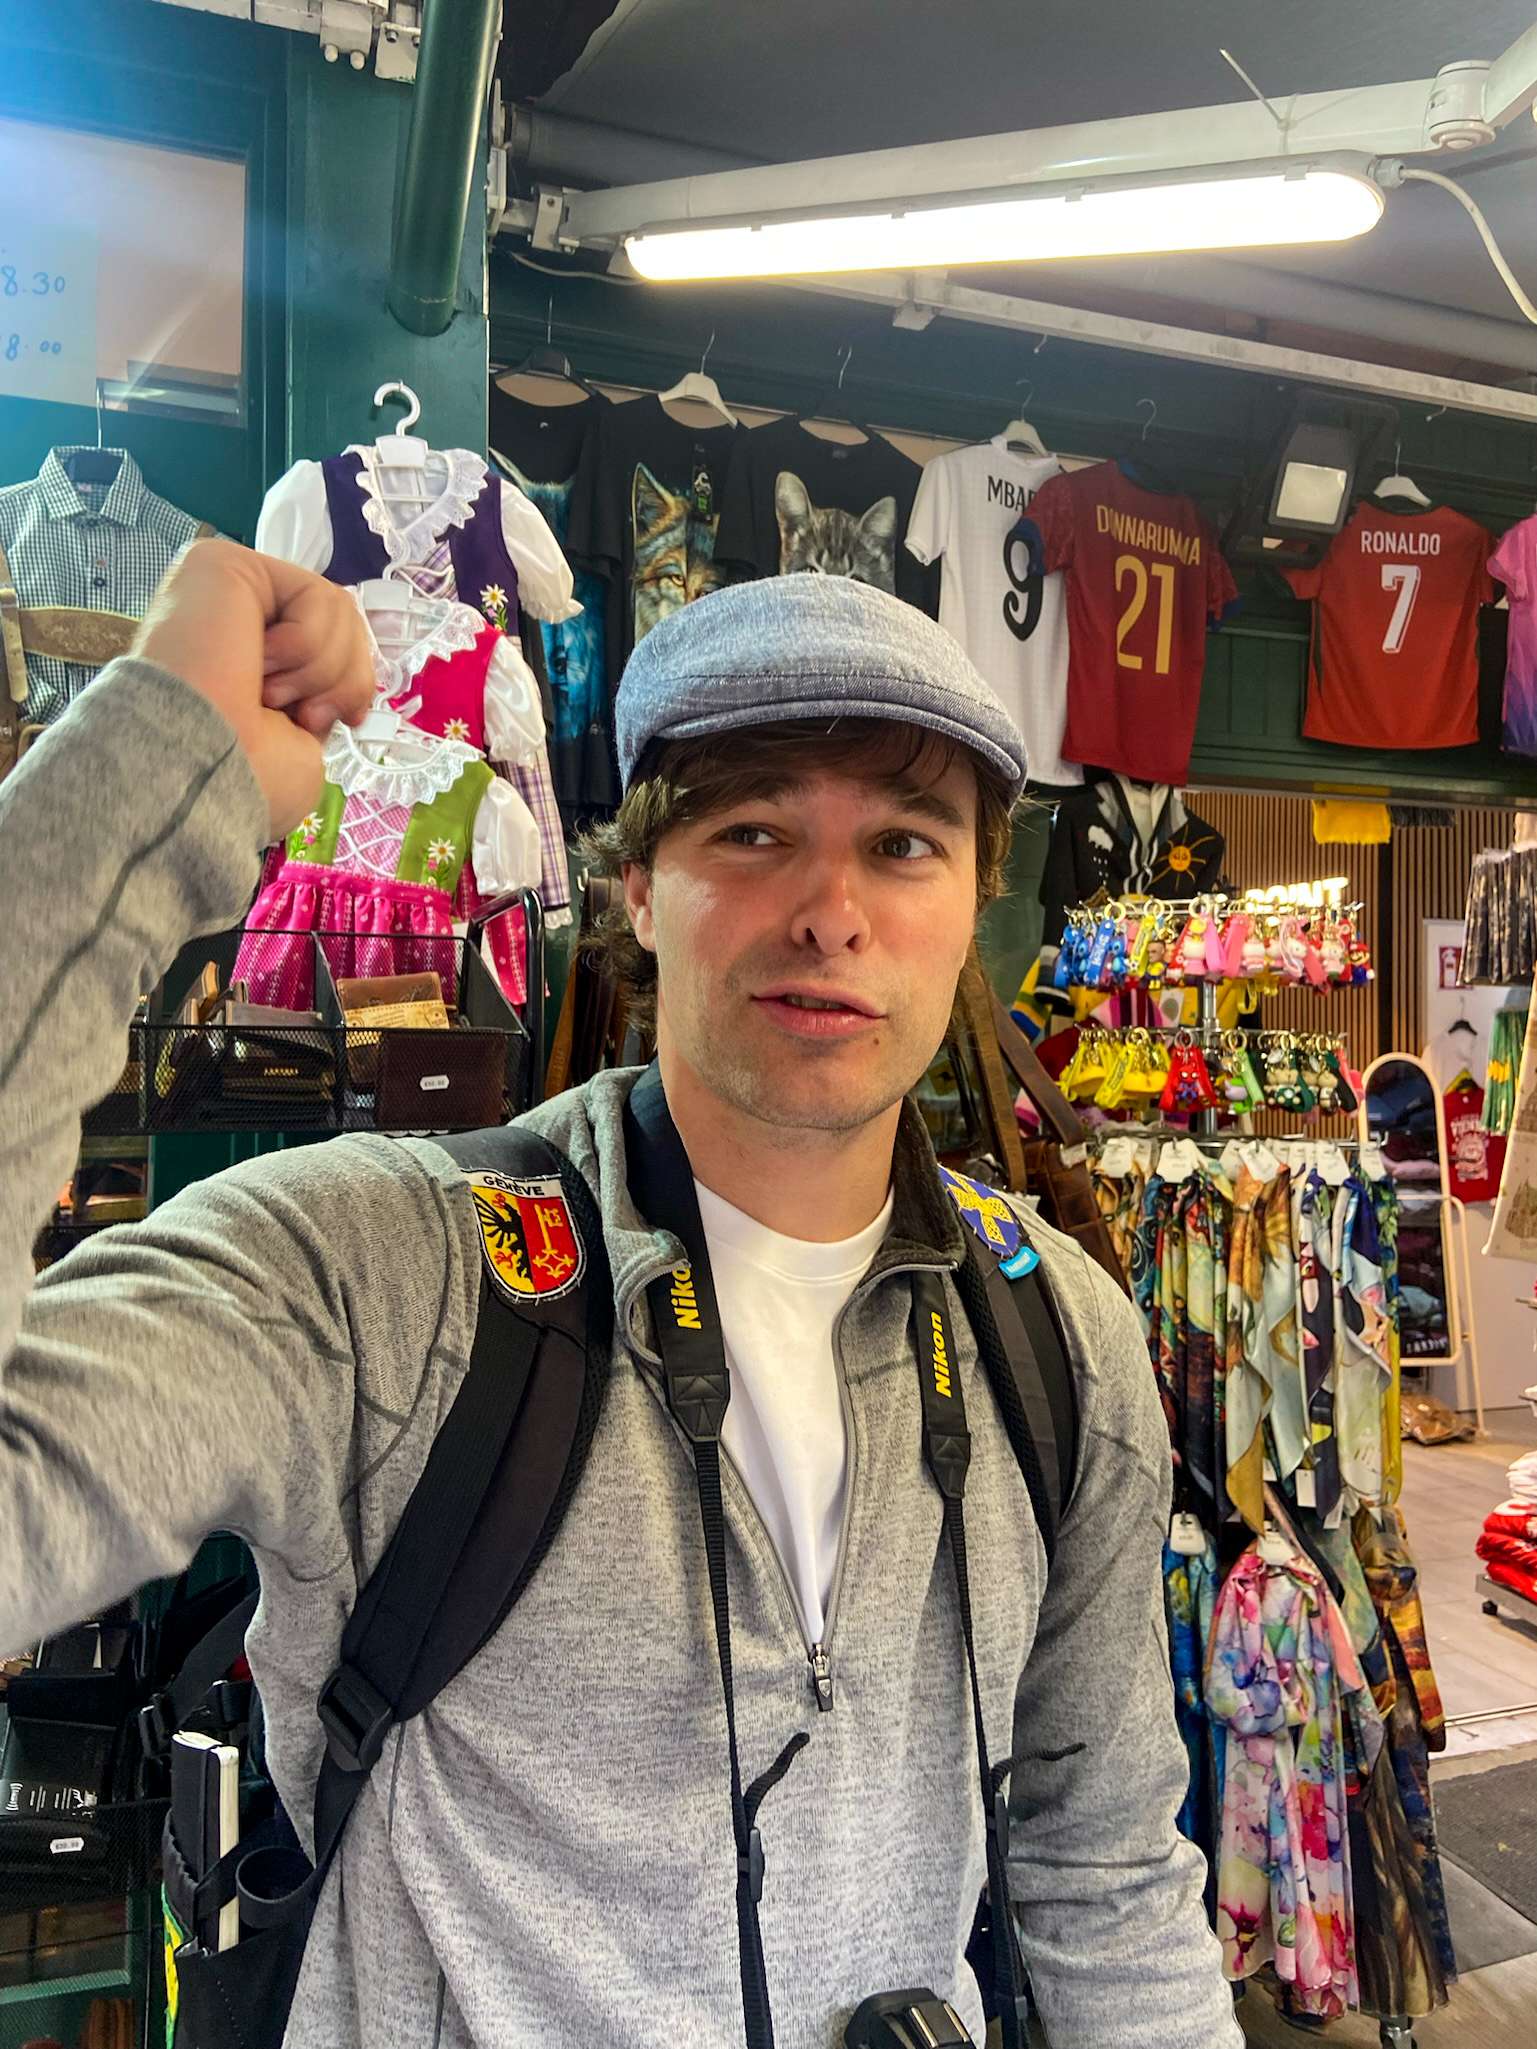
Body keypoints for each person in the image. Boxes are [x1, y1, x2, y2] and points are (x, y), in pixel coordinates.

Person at [0, 540, 1239, 2049]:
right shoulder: (387, 1273)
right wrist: (140, 784)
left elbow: (1104, 1877)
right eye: (754, 831)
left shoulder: (1057, 1339)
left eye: (905, 844)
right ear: (640, 889)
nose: (831, 911)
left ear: (978, 899)